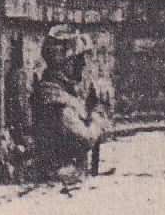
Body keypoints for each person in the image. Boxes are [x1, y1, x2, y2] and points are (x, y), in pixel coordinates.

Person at [31, 25, 111, 180]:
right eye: (78, 60)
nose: (83, 65)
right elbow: (85, 138)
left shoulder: (63, 91)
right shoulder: (53, 95)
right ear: (64, 63)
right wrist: (97, 117)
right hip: (57, 176)